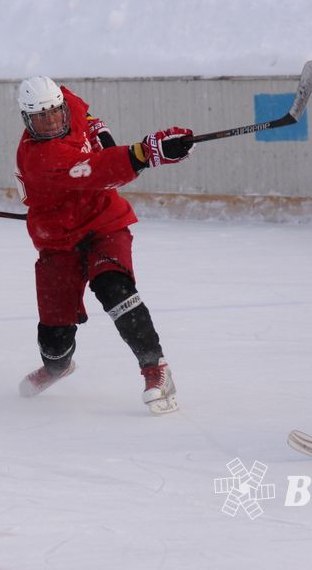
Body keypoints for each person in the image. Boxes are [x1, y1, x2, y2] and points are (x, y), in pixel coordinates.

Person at [13, 76, 195, 414]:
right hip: (58, 242)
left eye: (54, 112)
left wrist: (101, 133)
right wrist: (146, 153)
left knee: (114, 287)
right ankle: (57, 367)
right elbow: (98, 170)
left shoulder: (67, 102)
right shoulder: (40, 157)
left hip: (102, 222)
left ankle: (155, 368)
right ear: (27, 120)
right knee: (54, 341)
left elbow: (88, 117)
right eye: (41, 117)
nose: (51, 121)